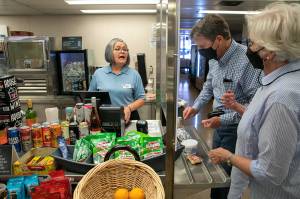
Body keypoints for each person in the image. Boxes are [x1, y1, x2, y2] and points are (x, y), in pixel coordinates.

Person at [208, 3, 300, 199]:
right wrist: (238, 107)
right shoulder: (276, 81)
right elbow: (261, 118)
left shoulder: (281, 96)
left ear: (270, 52)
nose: (249, 49)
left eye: (252, 43)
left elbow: (270, 172)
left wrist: (230, 157)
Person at [182, 14, 261, 199]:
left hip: (236, 131)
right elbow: (209, 86)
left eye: (202, 47)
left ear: (218, 40)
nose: (201, 51)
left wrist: (223, 120)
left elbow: (254, 107)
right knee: (216, 172)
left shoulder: (246, 61)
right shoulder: (214, 58)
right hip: (218, 125)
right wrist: (196, 107)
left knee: (228, 180)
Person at [89, 38, 145, 123]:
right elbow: (90, 98)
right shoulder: (99, 73)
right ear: (109, 53)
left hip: (129, 118)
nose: (122, 51)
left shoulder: (134, 74)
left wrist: (129, 108)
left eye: (125, 49)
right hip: (104, 119)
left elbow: (141, 99)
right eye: (117, 49)